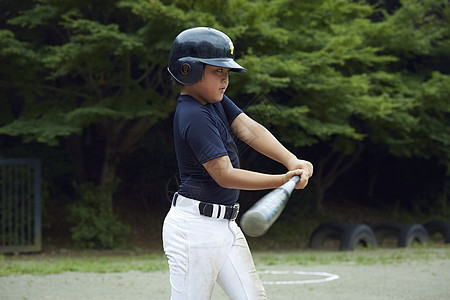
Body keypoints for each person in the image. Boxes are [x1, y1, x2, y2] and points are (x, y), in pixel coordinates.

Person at [163, 27, 313, 300]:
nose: (225, 79)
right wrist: (281, 179)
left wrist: (292, 160)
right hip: (194, 230)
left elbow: (250, 130)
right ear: (189, 71)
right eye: (217, 71)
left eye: (227, 73)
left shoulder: (214, 101)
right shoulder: (193, 114)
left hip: (226, 226)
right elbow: (225, 175)